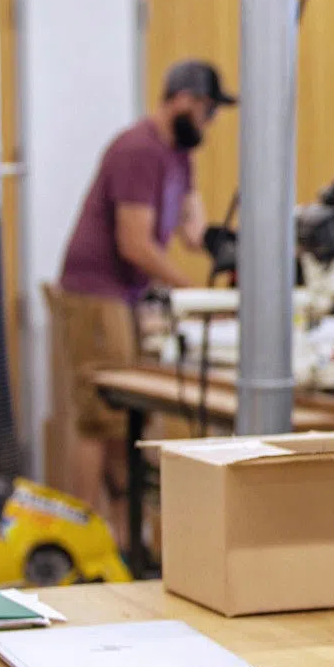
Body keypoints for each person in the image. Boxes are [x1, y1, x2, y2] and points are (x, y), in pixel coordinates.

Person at [52, 59, 236, 546]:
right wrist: (193, 294)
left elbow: (192, 229)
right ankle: (79, 540)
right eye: (207, 111)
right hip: (96, 294)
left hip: (127, 297)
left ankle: (127, 538)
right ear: (181, 100)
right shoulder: (139, 150)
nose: (209, 123)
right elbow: (134, 243)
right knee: (98, 417)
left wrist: (226, 246)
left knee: (129, 419)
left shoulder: (179, 155)